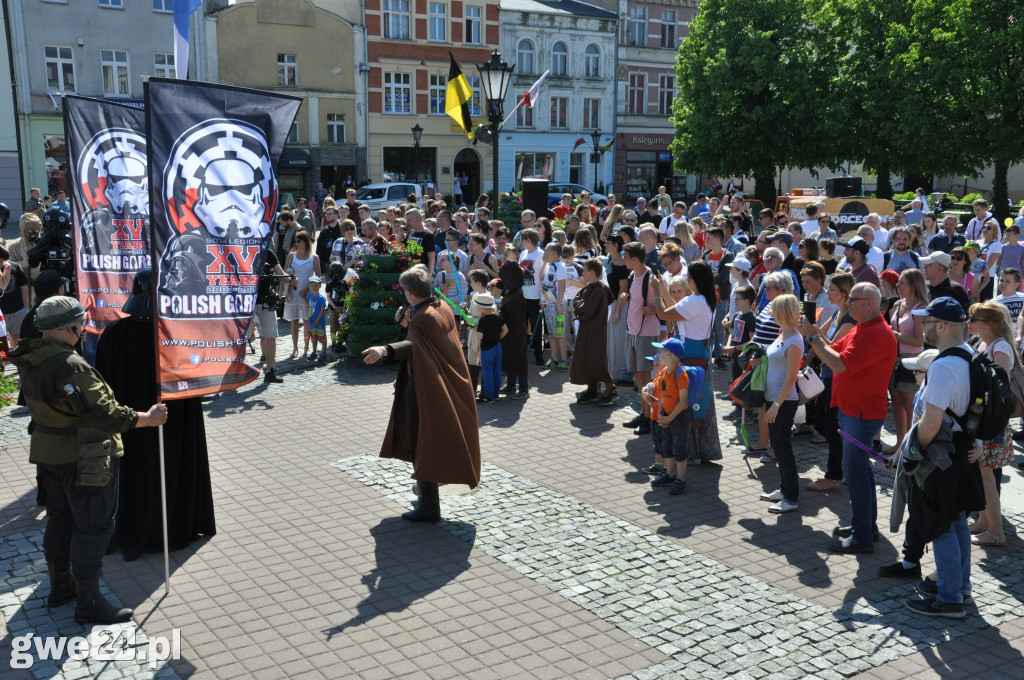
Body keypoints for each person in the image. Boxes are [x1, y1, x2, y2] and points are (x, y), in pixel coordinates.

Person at [10, 296, 168, 623]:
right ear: (70, 327)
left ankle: (60, 588)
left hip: (48, 454)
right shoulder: (70, 364)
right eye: (79, 324)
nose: (82, 329)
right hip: (83, 457)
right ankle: (89, 603)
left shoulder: (31, 355)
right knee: (92, 529)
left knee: (60, 519)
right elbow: (104, 415)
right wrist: (148, 418)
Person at [95, 271, 215, 563]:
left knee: (135, 475)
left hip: (131, 424)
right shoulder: (176, 334)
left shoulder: (114, 334)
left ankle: (137, 527)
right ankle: (173, 525)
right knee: (168, 468)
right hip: (165, 424)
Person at [361, 266, 481, 522]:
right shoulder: (441, 307)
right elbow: (424, 343)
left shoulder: (424, 317)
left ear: (409, 293)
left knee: (421, 442)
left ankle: (429, 508)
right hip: (442, 384)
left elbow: (414, 345)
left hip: (428, 389)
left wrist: (385, 350)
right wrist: (408, 323)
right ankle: (429, 495)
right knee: (431, 440)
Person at [902, 297, 985, 618]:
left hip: (939, 457)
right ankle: (960, 589)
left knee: (942, 527)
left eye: (926, 321)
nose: (921, 326)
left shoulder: (944, 365)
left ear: (942, 326)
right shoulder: (970, 355)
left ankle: (949, 599)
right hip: (961, 452)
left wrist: (910, 456)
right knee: (956, 523)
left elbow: (931, 422)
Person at [801, 282, 897, 554]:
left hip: (861, 412)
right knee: (861, 473)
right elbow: (833, 350)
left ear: (869, 302)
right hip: (853, 409)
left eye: (852, 299)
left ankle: (862, 536)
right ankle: (865, 526)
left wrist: (812, 336)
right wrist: (813, 333)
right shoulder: (862, 326)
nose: (847, 303)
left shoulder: (876, 332)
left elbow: (838, 363)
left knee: (856, 474)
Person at [964, 302, 1015, 547]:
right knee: (981, 474)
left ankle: (996, 532)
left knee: (986, 476)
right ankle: (984, 522)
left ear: (990, 324)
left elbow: (999, 390)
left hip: (991, 422)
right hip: (981, 419)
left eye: (974, 319)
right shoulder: (983, 343)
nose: (969, 322)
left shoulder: (1001, 347)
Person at [806, 272, 857, 492]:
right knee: (826, 425)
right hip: (828, 375)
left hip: (839, 378)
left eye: (832, 289)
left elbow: (831, 348)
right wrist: (811, 330)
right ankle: (843, 470)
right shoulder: (837, 312)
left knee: (833, 428)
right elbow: (819, 335)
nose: (828, 293)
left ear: (844, 293)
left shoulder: (850, 318)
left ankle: (835, 475)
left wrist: (813, 333)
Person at [759, 294, 804, 514]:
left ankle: (791, 497)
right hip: (774, 399)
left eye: (774, 310)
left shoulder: (794, 340)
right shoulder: (783, 334)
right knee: (777, 447)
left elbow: (791, 378)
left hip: (783, 402)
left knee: (783, 448)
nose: (770, 313)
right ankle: (784, 489)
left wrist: (776, 405)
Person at [885, 269, 928, 455]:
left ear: (913, 285)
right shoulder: (896, 304)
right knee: (896, 403)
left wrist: (894, 335)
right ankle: (900, 443)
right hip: (894, 359)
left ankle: (912, 445)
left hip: (912, 362)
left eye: (901, 282)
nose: (897, 285)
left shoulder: (920, 307)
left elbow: (919, 341)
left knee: (910, 406)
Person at [621, 242, 662, 435]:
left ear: (635, 259)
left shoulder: (651, 278)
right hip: (632, 330)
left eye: (626, 256)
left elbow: (662, 304)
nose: (624, 259)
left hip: (646, 332)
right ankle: (643, 413)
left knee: (646, 377)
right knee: (638, 375)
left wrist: (653, 309)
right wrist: (626, 296)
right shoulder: (633, 275)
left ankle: (649, 417)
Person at [647, 338, 692, 496]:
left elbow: (683, 401)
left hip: (678, 417)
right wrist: (660, 414)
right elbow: (663, 397)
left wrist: (670, 418)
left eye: (660, 352)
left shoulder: (681, 374)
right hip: (666, 415)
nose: (658, 355)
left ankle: (681, 479)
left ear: (669, 354)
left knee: (678, 447)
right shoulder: (665, 372)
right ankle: (670, 474)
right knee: (667, 446)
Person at [571, 259, 616, 405]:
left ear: (591, 273)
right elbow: (579, 299)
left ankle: (611, 389)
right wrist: (579, 302)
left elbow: (584, 308)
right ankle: (592, 389)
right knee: (589, 358)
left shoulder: (597, 290)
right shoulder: (592, 287)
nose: (582, 273)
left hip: (595, 329)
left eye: (584, 271)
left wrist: (577, 304)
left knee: (598, 360)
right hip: (590, 328)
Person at [253, 247, 291, 383]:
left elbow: (280, 274)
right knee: (239, 339)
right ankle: (235, 373)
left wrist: (291, 279)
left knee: (271, 335)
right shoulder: (240, 249)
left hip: (265, 299)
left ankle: (270, 371)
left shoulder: (267, 252)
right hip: (246, 302)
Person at [283, 231, 321, 359]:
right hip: (293, 292)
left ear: (306, 242)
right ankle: (295, 348)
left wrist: (308, 289)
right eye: (296, 241)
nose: (297, 243)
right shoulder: (291, 256)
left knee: (306, 321)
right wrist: (283, 290)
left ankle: (306, 347)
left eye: (300, 241)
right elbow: (283, 275)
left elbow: (318, 277)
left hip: (308, 294)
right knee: (294, 321)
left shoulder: (313, 257)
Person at [498, 261, 530, 398]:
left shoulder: (516, 294)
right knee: (510, 357)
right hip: (510, 333)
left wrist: (500, 316)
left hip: (516, 333)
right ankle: (511, 385)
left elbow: (514, 315)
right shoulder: (511, 291)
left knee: (519, 359)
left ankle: (523, 389)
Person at [474, 293, 506, 403]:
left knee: (487, 372)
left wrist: (476, 329)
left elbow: (480, 337)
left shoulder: (483, 320)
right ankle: (496, 394)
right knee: (497, 370)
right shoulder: (497, 315)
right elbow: (506, 330)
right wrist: (498, 338)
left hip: (487, 349)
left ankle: (488, 396)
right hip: (498, 346)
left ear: (482, 307)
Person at [0, 244, 30, 348]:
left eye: (3, 260)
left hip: (17, 311)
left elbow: (24, 288)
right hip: (1, 314)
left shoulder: (14, 266)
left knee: (17, 340)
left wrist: (25, 308)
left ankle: (17, 361)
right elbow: (3, 285)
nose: (2, 263)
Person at [306, 275, 328, 362]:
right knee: (313, 337)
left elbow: (322, 310)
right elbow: (309, 307)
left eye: (316, 285)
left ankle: (323, 352)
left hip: (319, 322)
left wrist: (317, 320)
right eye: (312, 285)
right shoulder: (310, 296)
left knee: (322, 337)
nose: (314, 287)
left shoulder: (321, 298)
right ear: (309, 287)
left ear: (320, 285)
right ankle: (314, 352)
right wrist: (303, 299)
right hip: (311, 321)